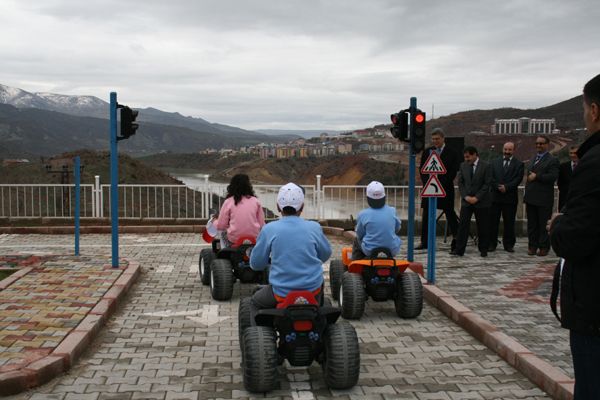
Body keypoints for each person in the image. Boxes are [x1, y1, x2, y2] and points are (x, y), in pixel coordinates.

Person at [548, 74, 600, 399]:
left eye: (584, 109)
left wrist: (559, 224)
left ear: (594, 110)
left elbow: (577, 238)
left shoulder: (593, 163)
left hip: (594, 312)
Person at [249, 182, 332, 318]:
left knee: (254, 302)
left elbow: (257, 264)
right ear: (302, 207)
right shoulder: (314, 227)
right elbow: (325, 254)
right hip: (312, 290)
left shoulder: (269, 229)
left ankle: (256, 336)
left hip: (281, 292)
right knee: (320, 294)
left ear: (278, 207)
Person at [417, 128, 460, 250]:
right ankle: (424, 242)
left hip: (445, 188)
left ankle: (457, 240)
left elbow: (453, 171)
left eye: (437, 139)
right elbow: (422, 169)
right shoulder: (428, 152)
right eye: (433, 139)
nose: (435, 141)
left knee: (450, 213)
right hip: (429, 188)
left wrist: (440, 184)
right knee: (426, 215)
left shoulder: (452, 152)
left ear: (443, 138)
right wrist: (429, 183)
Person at [452, 146, 492, 257]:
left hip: (482, 202)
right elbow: (460, 183)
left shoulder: (486, 166)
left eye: (468, 157)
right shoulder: (463, 166)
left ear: (475, 154)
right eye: (465, 157)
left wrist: (477, 198)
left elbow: (487, 184)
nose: (466, 159)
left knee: (483, 226)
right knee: (463, 226)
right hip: (467, 202)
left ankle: (483, 249)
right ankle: (459, 250)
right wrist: (465, 197)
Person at [523, 135, 559, 256]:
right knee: (532, 224)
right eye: (537, 143)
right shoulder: (533, 158)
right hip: (531, 197)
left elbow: (552, 177)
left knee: (543, 224)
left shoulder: (552, 160)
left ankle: (544, 246)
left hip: (543, 198)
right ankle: (532, 246)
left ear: (547, 145)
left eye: (541, 143)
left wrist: (537, 176)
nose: (538, 145)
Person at [488, 142, 524, 253]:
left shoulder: (519, 164)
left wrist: (506, 187)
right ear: (502, 149)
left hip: (510, 198)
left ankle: (508, 245)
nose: (507, 152)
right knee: (493, 222)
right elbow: (490, 177)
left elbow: (518, 179)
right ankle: (491, 244)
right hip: (495, 197)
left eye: (509, 150)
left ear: (513, 150)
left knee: (509, 223)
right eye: (505, 149)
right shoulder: (494, 162)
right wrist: (498, 186)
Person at [351, 181, 402, 260]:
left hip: (370, 250)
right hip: (392, 249)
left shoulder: (363, 214)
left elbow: (360, 234)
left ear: (368, 198)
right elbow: (397, 228)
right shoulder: (392, 211)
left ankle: (355, 264)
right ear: (384, 197)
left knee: (356, 240)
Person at [213, 174, 265, 247]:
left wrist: (214, 222)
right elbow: (262, 224)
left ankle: (224, 251)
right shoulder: (256, 201)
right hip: (254, 239)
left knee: (222, 233)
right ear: (248, 186)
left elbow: (221, 226)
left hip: (234, 240)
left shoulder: (229, 201)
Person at [557, 145, 579, 211]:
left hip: (579, 200)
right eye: (571, 153)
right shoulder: (563, 167)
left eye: (575, 153)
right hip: (565, 201)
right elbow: (560, 183)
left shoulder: (584, 166)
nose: (572, 155)